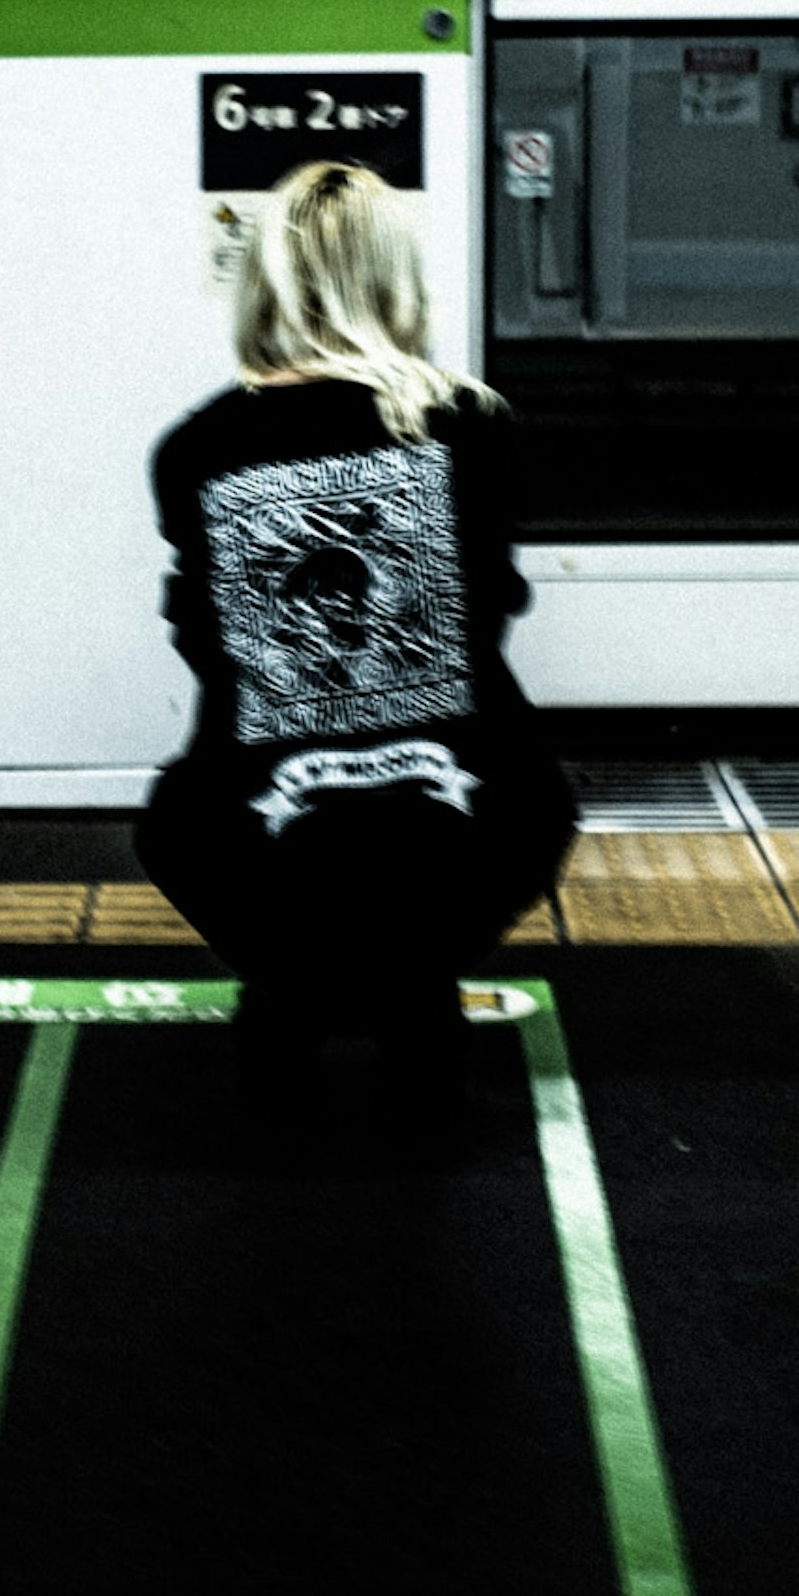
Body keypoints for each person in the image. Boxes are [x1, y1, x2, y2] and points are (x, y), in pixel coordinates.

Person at [135, 158, 575, 1139]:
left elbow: (205, 644)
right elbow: (491, 608)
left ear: (265, 282)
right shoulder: (473, 426)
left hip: (258, 833)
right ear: (394, 280)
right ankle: (417, 1013)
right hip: (466, 816)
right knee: (502, 823)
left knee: (190, 821)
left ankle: (286, 1016)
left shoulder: (196, 448)